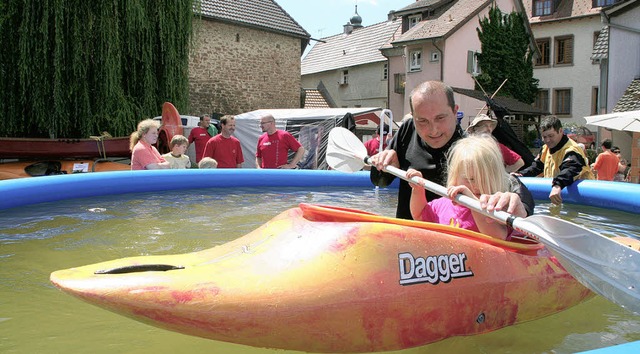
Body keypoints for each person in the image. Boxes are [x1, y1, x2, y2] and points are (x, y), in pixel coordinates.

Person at [369, 80, 534, 220]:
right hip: (408, 237)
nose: (433, 130)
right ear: (413, 116)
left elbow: (509, 181)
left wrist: (520, 203)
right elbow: (380, 183)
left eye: (440, 118)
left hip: (451, 249)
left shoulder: (467, 148)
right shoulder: (407, 131)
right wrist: (385, 167)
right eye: (422, 121)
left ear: (455, 112)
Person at [408, 136, 515, 240]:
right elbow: (419, 215)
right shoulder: (443, 204)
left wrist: (473, 203)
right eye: (470, 179)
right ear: (455, 178)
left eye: (484, 180)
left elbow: (497, 237)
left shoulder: (495, 207)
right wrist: (418, 190)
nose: (476, 185)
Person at [517, 116, 593, 204]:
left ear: (560, 131)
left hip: (583, 199)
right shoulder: (545, 149)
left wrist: (557, 185)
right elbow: (537, 167)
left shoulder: (572, 150)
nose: (547, 140)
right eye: (544, 137)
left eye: (551, 136)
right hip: (556, 193)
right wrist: (521, 174)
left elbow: (571, 169)